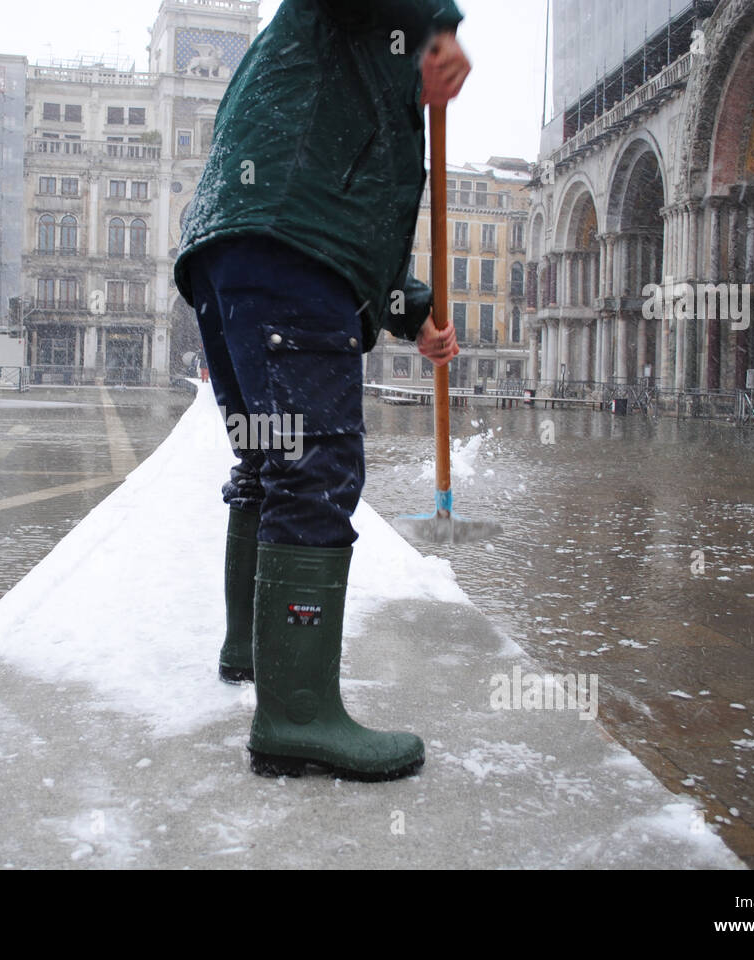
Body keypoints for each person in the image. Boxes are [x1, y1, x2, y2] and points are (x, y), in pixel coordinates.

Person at [173, 0, 469, 782]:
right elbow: (323, 213)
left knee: (272, 464)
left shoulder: (338, 63)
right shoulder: (368, 23)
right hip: (286, 254)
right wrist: (438, 24)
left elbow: (347, 214)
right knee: (314, 475)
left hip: (239, 253)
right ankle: (297, 716)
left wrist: (411, 312)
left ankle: (251, 651)